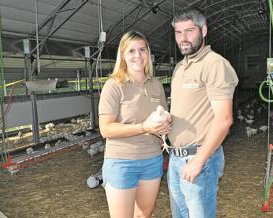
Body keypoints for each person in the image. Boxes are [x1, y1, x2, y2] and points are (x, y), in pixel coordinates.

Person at [167, 7, 239, 218]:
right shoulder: (180, 67)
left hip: (199, 158)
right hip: (176, 158)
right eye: (178, 33)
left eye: (189, 31)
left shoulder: (214, 64)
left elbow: (224, 119)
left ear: (204, 30)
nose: (183, 38)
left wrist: (198, 161)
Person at [98, 31, 171, 218]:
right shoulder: (114, 85)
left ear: (148, 53)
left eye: (142, 49)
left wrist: (165, 126)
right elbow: (106, 129)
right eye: (131, 51)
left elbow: (161, 117)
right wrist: (143, 127)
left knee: (144, 214)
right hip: (122, 161)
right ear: (123, 55)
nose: (137, 55)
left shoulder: (156, 85)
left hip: (152, 160)